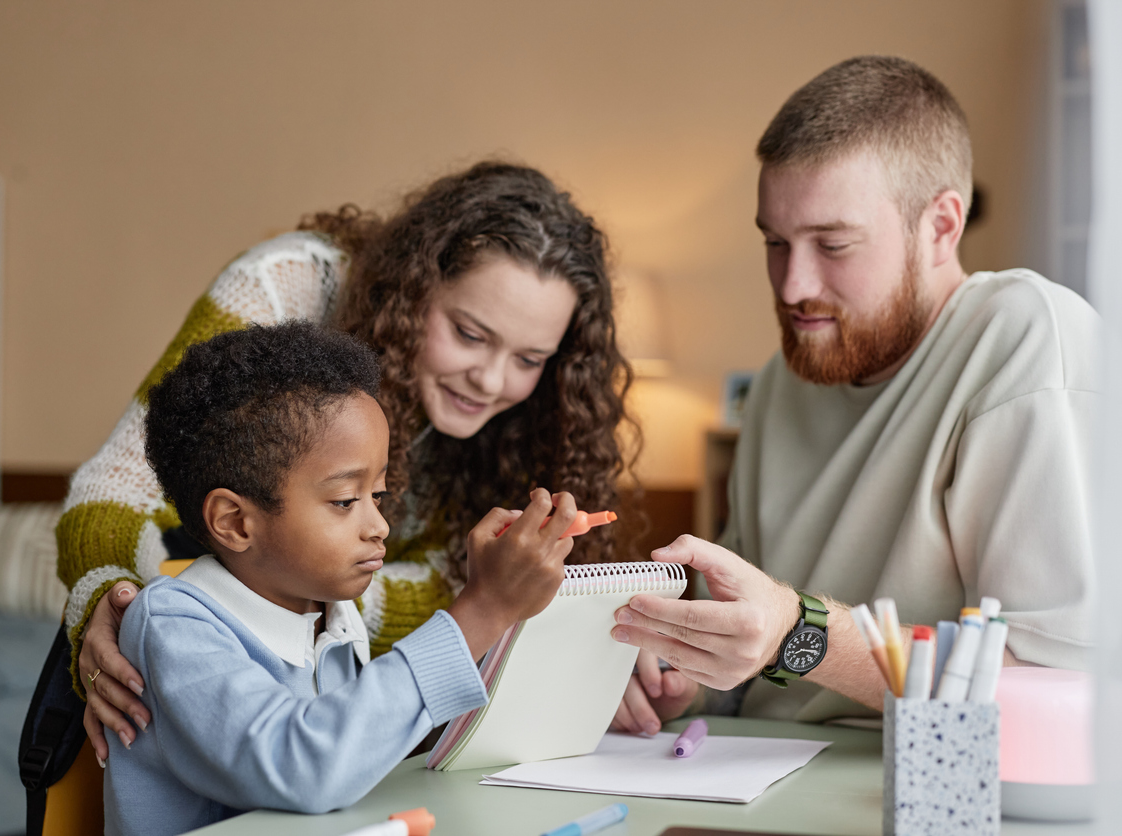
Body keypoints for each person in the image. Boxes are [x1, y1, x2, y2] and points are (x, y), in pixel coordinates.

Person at [59, 161, 636, 764]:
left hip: (361, 705)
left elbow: (440, 586)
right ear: (414, 290)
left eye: (530, 359)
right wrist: (112, 601)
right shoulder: (288, 286)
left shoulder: (523, 423)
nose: (491, 380)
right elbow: (113, 490)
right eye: (468, 334)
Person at [611, 55, 1098, 729]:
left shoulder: (1023, 335)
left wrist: (799, 634)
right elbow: (748, 670)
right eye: (775, 243)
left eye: (833, 245)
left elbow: (1060, 691)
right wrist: (687, 679)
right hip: (747, 777)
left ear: (942, 227)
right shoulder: (783, 380)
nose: (790, 286)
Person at [105, 321, 576, 835]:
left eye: (378, 496)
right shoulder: (176, 625)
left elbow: (363, 752)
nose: (379, 526)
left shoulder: (328, 610)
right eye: (345, 501)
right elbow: (302, 766)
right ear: (236, 522)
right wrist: (483, 609)